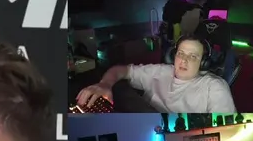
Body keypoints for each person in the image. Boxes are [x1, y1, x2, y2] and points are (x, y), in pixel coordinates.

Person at [75, 36, 236, 113]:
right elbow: (120, 70)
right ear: (173, 56)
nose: (184, 60)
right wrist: (105, 84)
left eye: (193, 56)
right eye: (181, 54)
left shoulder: (215, 87)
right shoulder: (161, 71)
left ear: (203, 63)